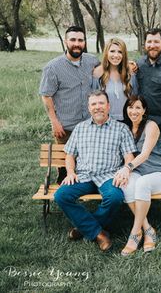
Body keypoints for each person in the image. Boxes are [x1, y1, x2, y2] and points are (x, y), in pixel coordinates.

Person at [54, 90, 137, 251]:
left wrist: (126, 170)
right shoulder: (80, 128)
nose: (97, 107)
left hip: (108, 175)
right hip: (83, 176)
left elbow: (129, 156)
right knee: (61, 195)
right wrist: (71, 172)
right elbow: (70, 155)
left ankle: (83, 228)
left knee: (115, 197)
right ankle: (99, 234)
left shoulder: (120, 129)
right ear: (89, 107)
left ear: (108, 106)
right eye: (94, 104)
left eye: (101, 103)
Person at [39, 26, 100, 183]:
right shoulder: (53, 67)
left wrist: (131, 65)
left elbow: (112, 68)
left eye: (80, 40)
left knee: (88, 163)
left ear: (84, 42)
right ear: (66, 41)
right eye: (73, 40)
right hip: (65, 127)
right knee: (65, 167)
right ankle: (64, 191)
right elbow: (46, 96)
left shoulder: (92, 61)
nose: (76, 43)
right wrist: (54, 122)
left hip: (89, 125)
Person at [113, 95, 161, 256]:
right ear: (126, 109)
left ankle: (134, 234)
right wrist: (124, 171)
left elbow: (145, 154)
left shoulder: (151, 126)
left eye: (138, 107)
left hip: (158, 174)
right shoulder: (125, 128)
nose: (134, 111)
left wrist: (127, 167)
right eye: (131, 107)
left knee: (142, 183)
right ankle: (147, 229)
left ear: (144, 110)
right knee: (126, 183)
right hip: (138, 172)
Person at [93, 38, 138, 121]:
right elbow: (94, 101)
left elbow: (135, 99)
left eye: (120, 52)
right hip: (105, 121)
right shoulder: (98, 75)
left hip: (127, 120)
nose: (116, 55)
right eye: (112, 51)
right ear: (106, 52)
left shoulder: (130, 74)